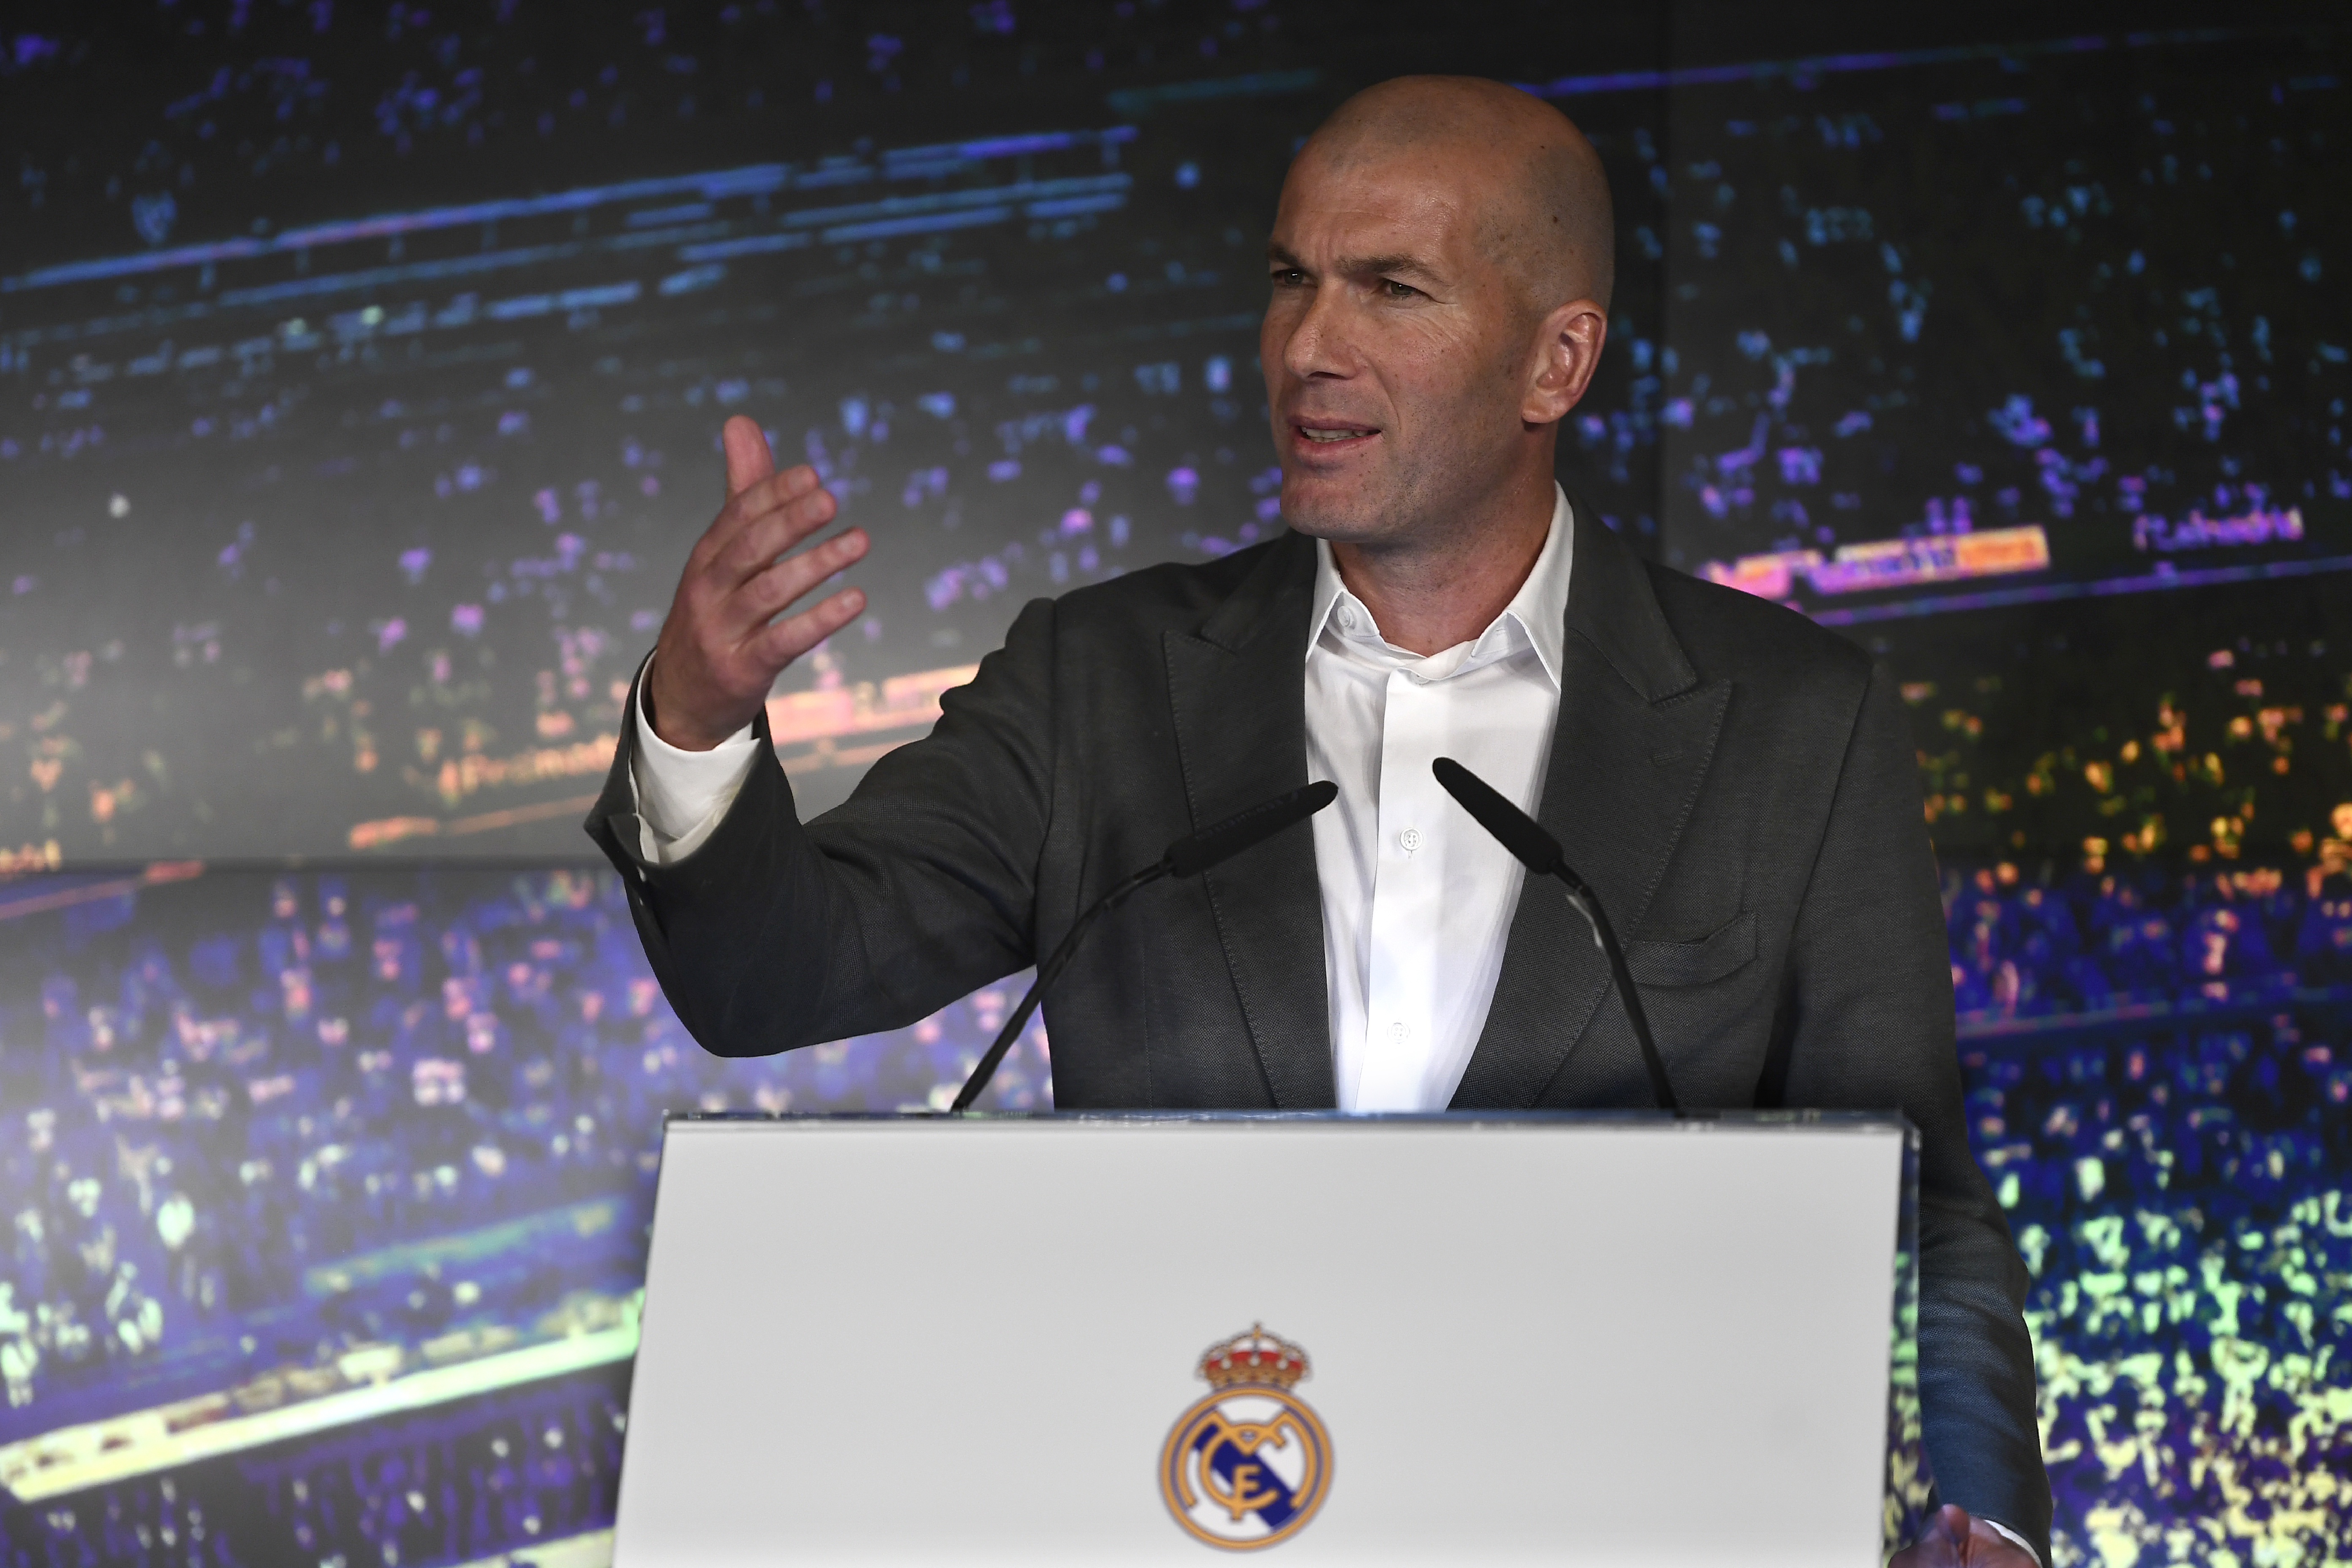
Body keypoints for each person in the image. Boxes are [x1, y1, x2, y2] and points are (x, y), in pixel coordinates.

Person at [585, 75, 2048, 1564]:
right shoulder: (1100, 680)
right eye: (1292, 280)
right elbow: (774, 979)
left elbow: (1921, 1200)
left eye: (1390, 289)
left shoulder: (1796, 722)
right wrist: (695, 721)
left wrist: (1984, 1519)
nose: (1307, 347)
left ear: (1557, 362)